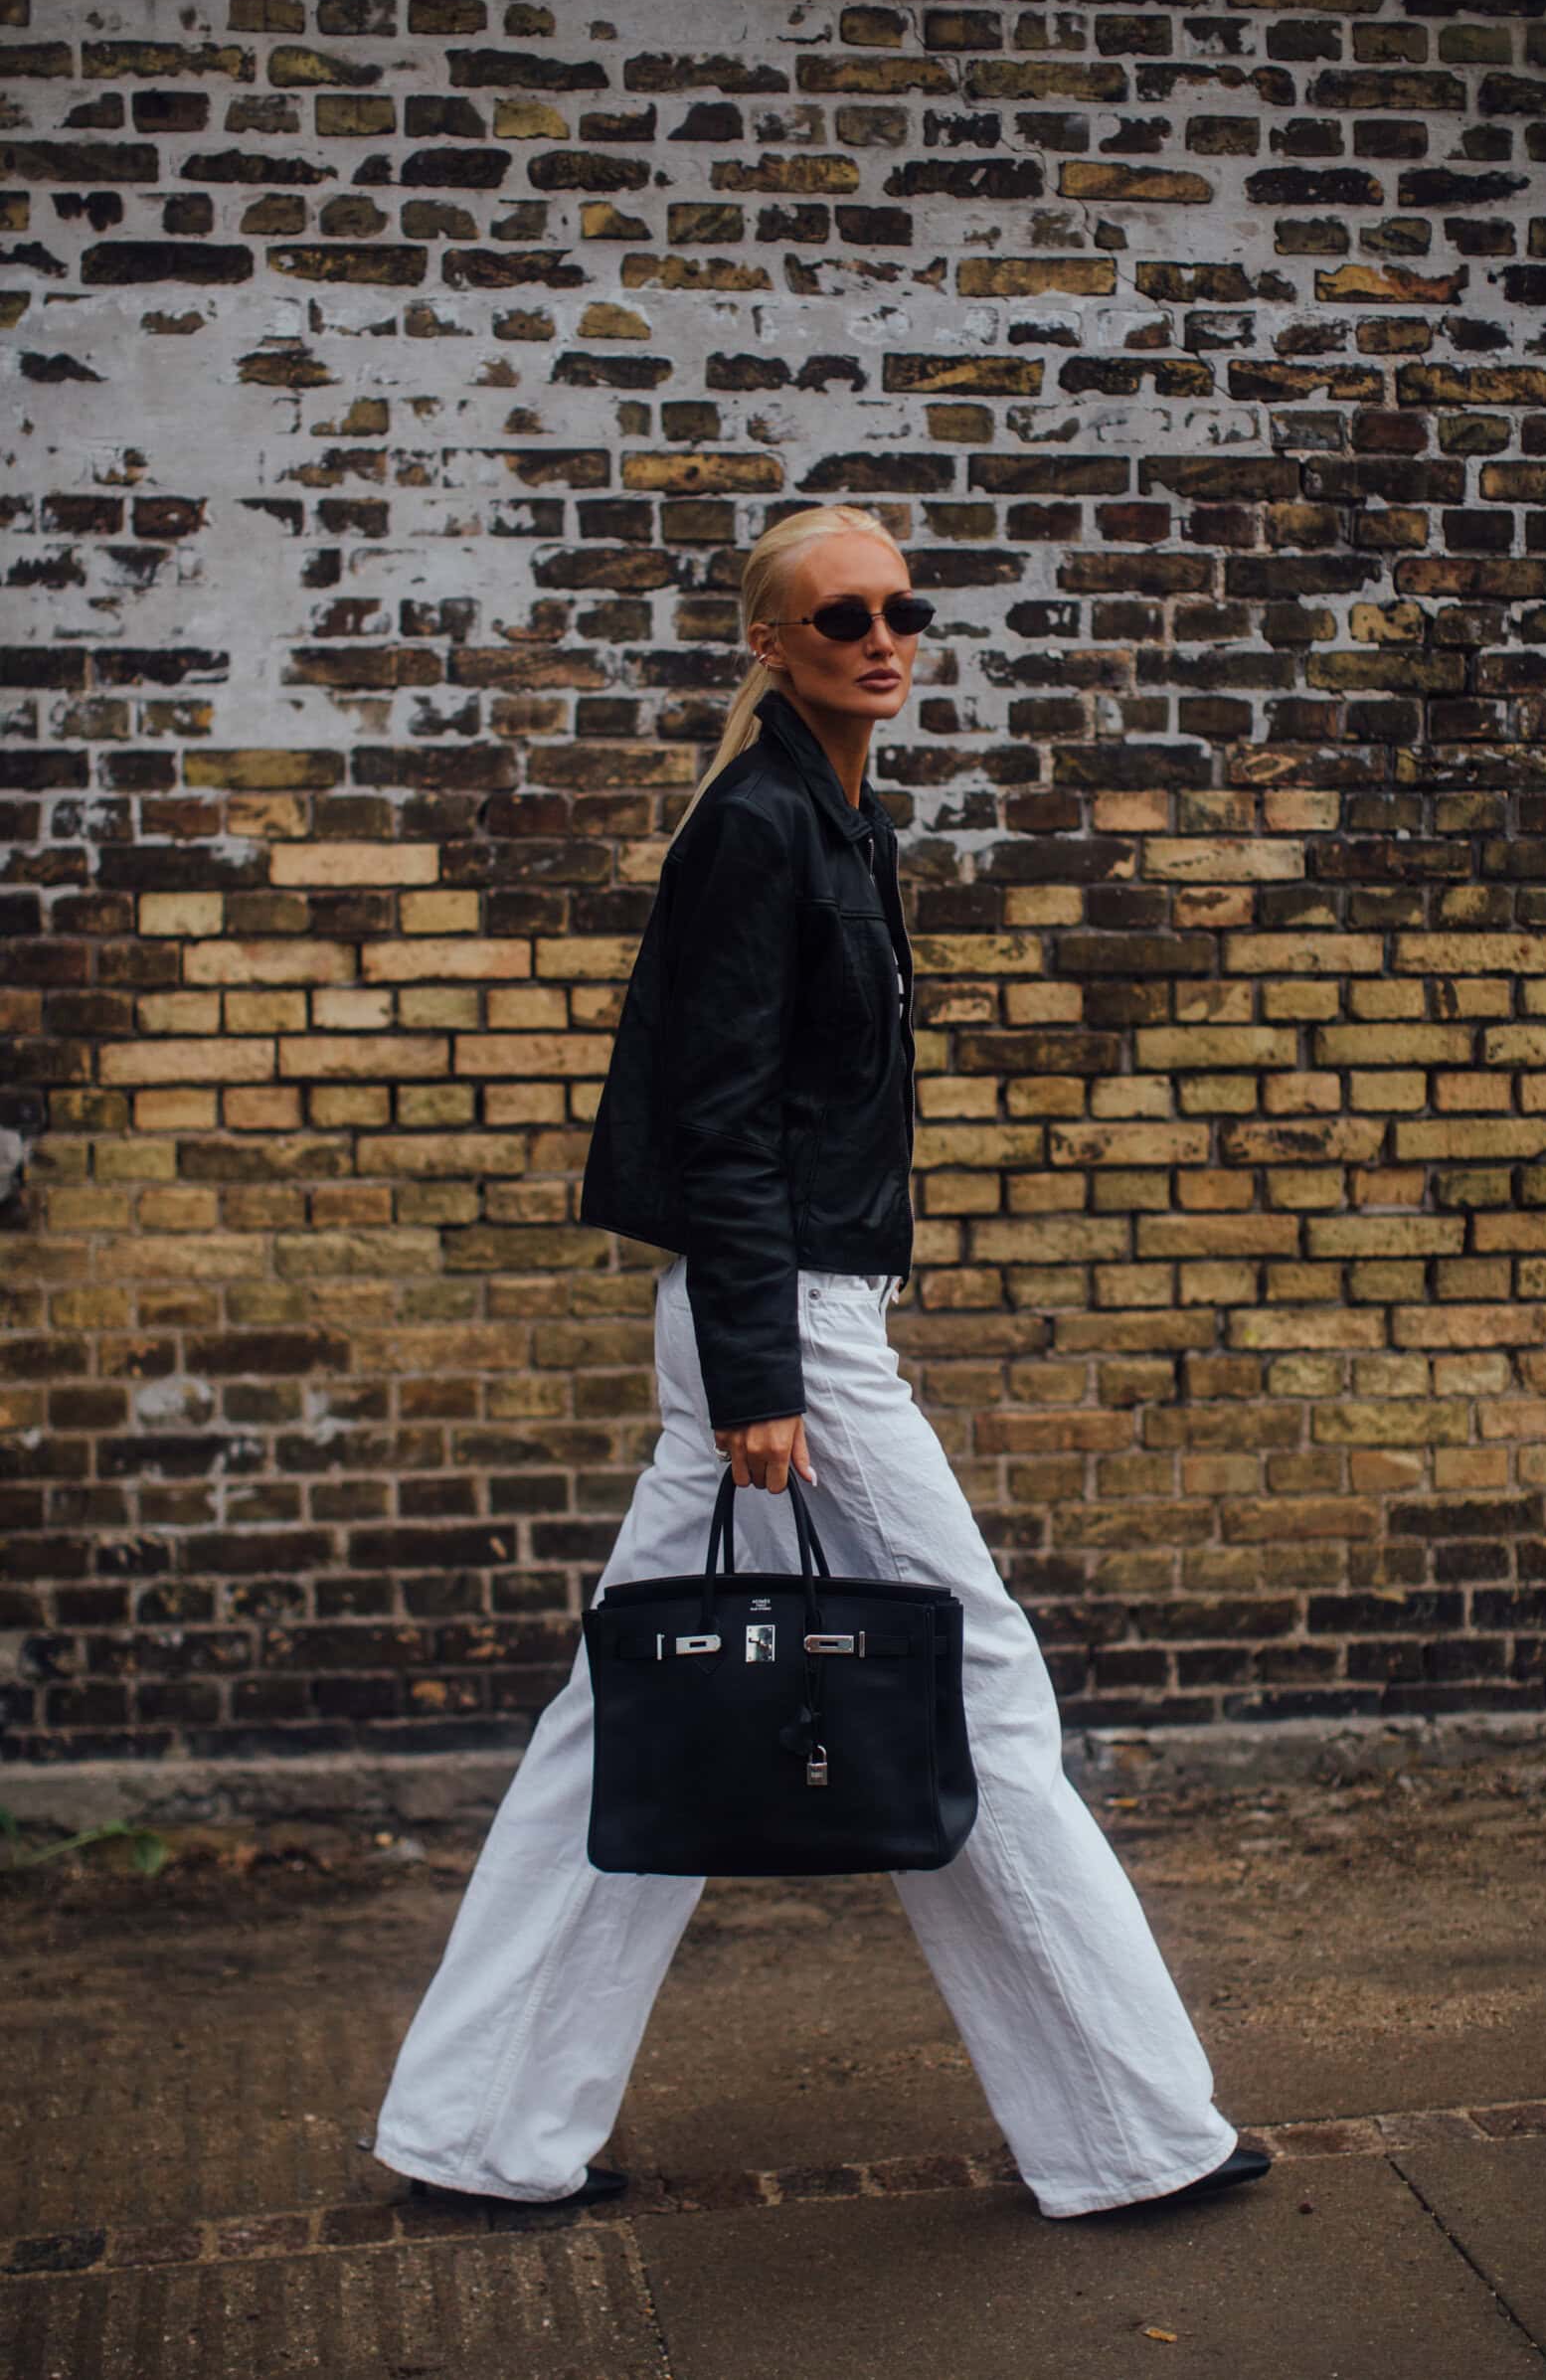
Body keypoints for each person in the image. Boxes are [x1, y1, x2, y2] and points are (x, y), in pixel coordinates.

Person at [372, 503, 1268, 2219]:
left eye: (901, 611)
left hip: (794, 1316)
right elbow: (719, 1123)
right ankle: (1131, 2136)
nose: (882, 639)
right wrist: (760, 1375)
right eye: (841, 615)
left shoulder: (843, 818)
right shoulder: (763, 825)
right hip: (787, 1329)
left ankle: (479, 2133)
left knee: (640, 1711)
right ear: (770, 643)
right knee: (972, 1686)